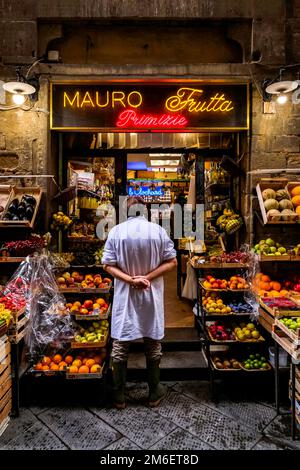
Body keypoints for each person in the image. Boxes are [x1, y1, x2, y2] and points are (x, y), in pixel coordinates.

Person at [102, 196, 177, 409]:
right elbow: (172, 261)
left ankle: (119, 396)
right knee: (152, 342)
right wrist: (148, 278)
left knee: (120, 343)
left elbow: (107, 265)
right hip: (150, 294)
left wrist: (130, 280)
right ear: (144, 210)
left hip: (126, 295)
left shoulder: (116, 232)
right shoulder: (158, 231)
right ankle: (154, 393)